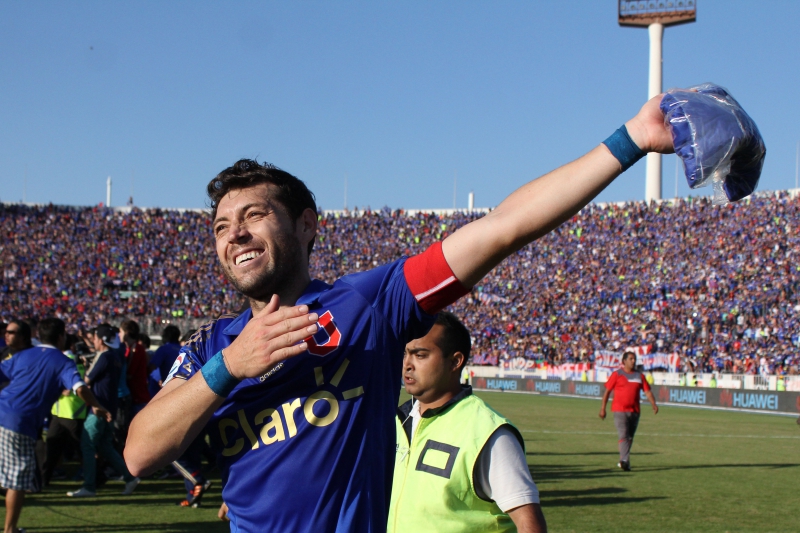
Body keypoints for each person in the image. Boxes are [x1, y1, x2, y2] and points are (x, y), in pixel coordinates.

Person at [126, 92, 676, 531]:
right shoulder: (208, 347)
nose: (235, 234)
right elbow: (139, 454)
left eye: (254, 215)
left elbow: (503, 228)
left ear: (306, 225)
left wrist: (630, 140)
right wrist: (232, 365)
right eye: (221, 227)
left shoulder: (365, 304)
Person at [389, 312, 546, 533]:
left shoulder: (488, 431)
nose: (407, 364)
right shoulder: (395, 421)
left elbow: (530, 524)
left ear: (455, 361)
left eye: (420, 355)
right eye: (405, 354)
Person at [0, 318, 110, 533]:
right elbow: (80, 388)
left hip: (3, 410)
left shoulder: (22, 355)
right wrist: (96, 406)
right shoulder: (62, 361)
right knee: (17, 480)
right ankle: (10, 529)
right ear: (61, 337)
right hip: (18, 421)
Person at [67, 324, 140, 498]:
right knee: (106, 447)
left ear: (100, 339)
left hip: (98, 408)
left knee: (88, 444)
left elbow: (87, 379)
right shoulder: (115, 356)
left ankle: (89, 486)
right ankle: (130, 477)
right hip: (111, 406)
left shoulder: (103, 356)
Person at [598, 351, 659, 471]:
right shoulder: (617, 374)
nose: (633, 361)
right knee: (623, 435)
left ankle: (624, 460)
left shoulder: (639, 376)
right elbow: (607, 392)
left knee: (629, 437)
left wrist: (653, 403)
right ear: (624, 361)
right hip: (619, 410)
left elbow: (647, 391)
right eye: (630, 359)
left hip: (635, 411)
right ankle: (624, 460)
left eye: (634, 359)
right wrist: (603, 408)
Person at [41, 334, 89, 486]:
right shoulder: (70, 360)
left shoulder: (68, 361)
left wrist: (59, 387)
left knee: (75, 448)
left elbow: (76, 385)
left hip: (70, 412)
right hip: (64, 412)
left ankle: (96, 474)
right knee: (55, 446)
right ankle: (43, 480)